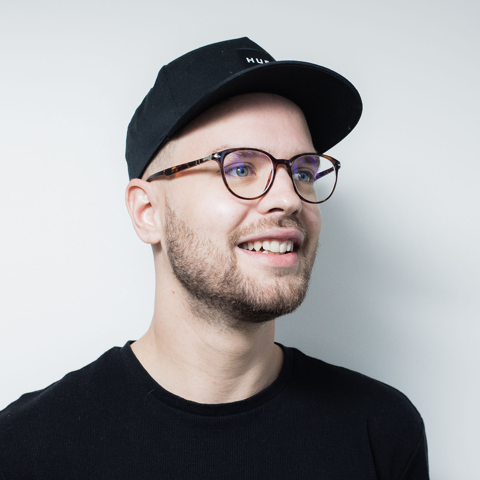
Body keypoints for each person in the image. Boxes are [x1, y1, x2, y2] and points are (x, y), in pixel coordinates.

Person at [0, 37, 429, 479]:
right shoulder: (24, 449)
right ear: (148, 213)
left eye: (303, 171)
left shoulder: (381, 432)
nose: (289, 198)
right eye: (240, 167)